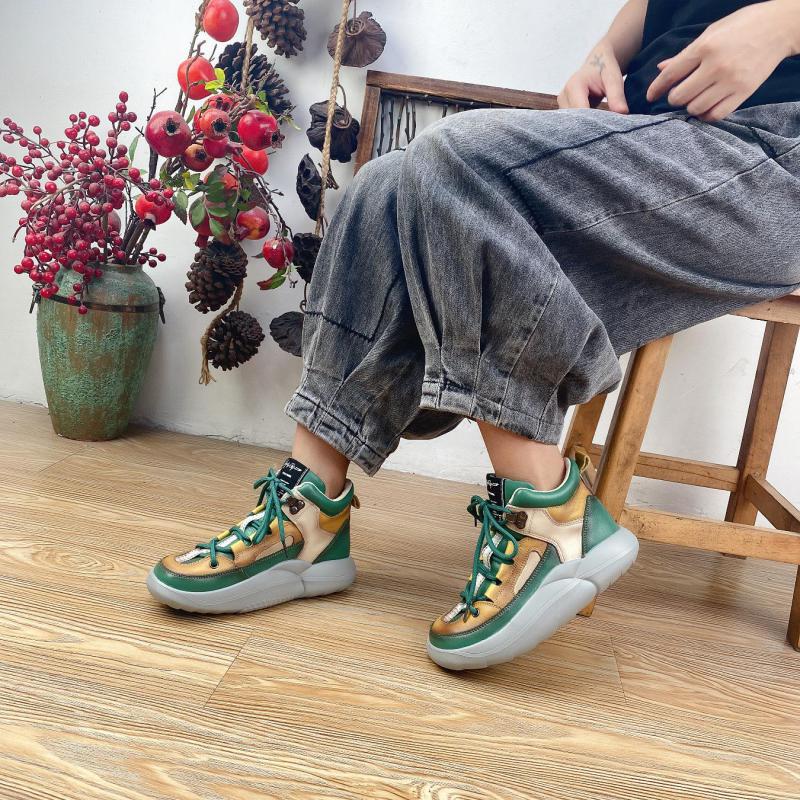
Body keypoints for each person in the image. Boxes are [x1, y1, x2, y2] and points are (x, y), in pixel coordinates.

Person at [147, 0, 800, 670]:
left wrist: (783, 25)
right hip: (656, 133)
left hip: (777, 149)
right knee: (385, 183)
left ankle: (549, 512)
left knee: (451, 163)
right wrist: (606, 49)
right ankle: (310, 515)